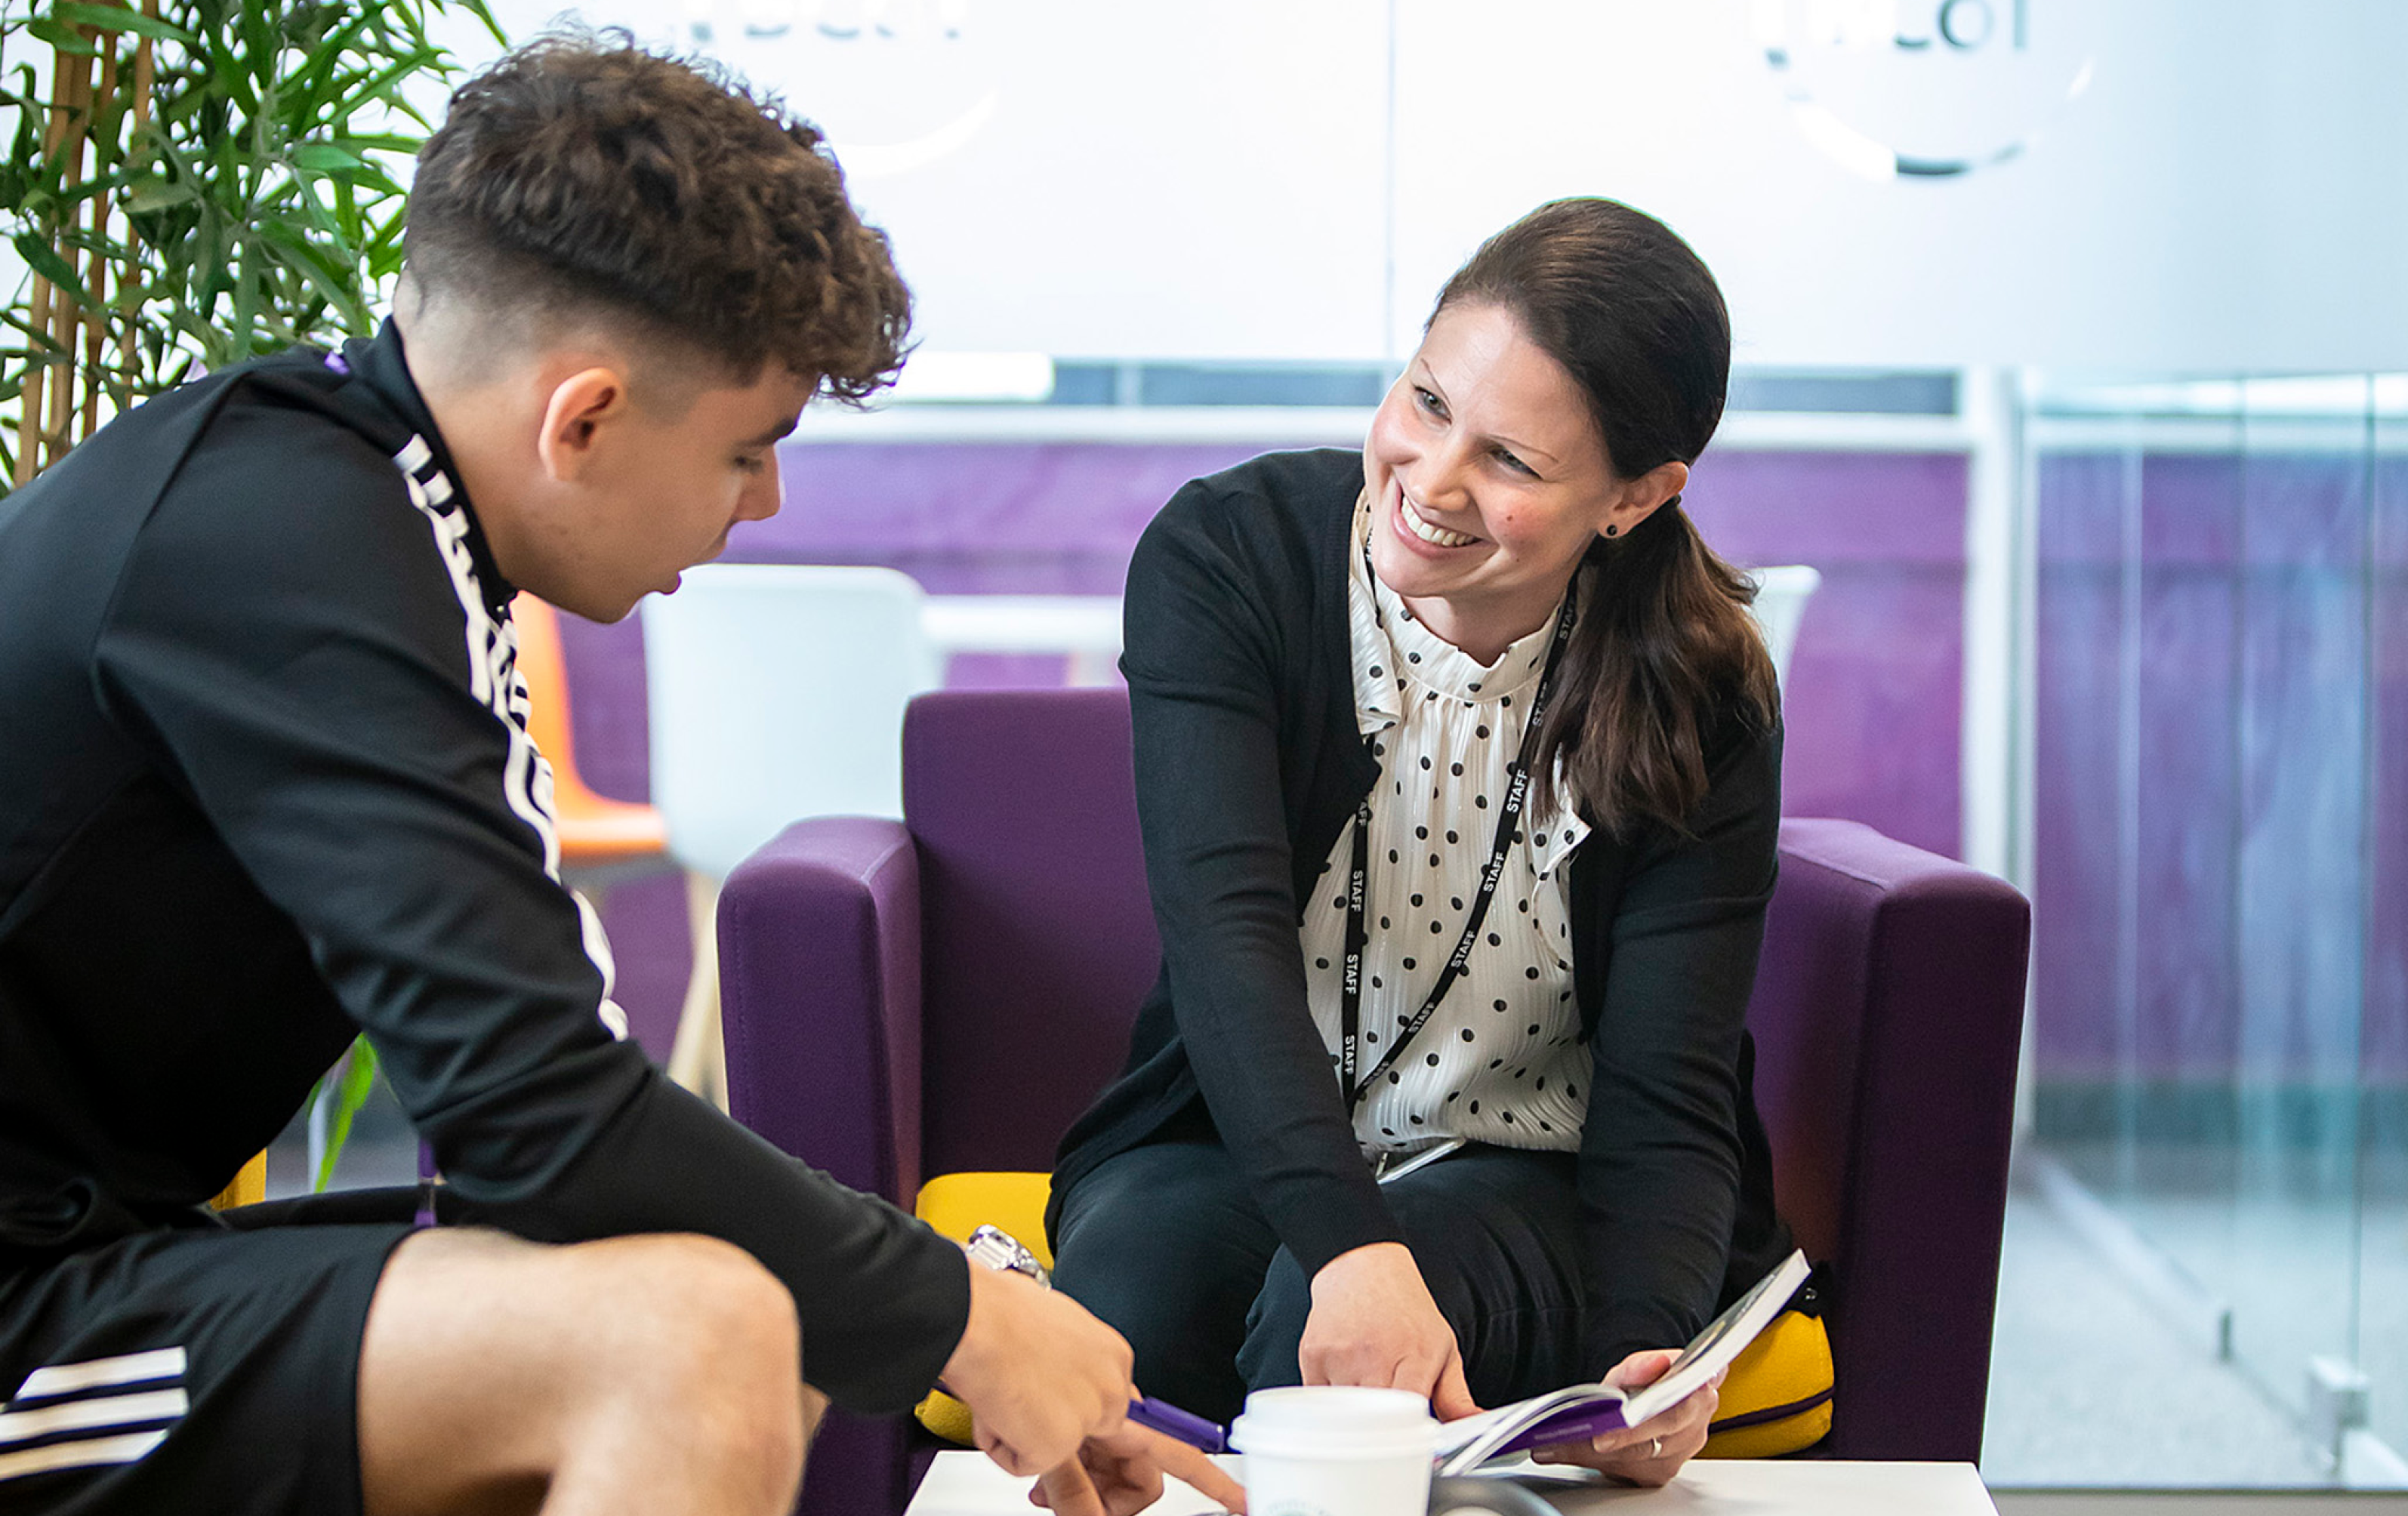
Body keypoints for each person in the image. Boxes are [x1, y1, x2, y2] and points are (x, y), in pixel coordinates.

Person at [0, 33, 1239, 1516]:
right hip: (32, 1297)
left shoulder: (352, 508)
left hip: (85, 1253)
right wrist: (970, 1315)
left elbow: (533, 1116)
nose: (766, 500)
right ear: (580, 417)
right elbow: (541, 1118)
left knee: (733, 1290)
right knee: (690, 1337)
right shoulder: (291, 551)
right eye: (748, 449)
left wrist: (931, 1306)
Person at [1047, 198, 1796, 1485]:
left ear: (1633, 499)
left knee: (1324, 1351)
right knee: (1128, 1294)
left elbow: (1671, 1083)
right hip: (1234, 1129)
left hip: (1525, 1167)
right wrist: (1352, 1246)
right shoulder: (1231, 555)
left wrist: (1646, 1348)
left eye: (1512, 461)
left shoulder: (1699, 688)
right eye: (1428, 401)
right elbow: (1221, 941)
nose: (1430, 480)